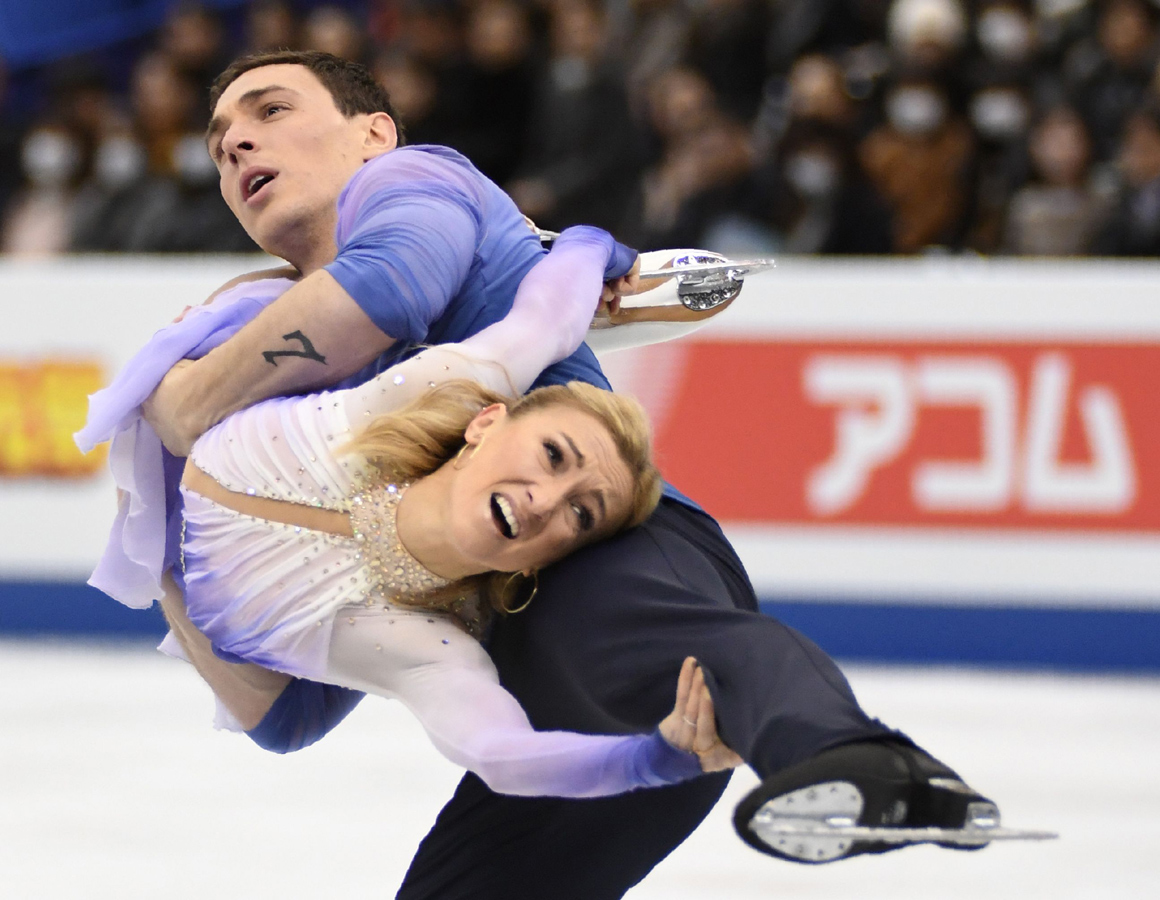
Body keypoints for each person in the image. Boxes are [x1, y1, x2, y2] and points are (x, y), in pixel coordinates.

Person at [128, 50, 997, 897]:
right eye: (218, 141)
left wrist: (182, 405)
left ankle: (845, 758)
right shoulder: (267, 335)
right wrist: (169, 544)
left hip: (612, 545)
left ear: (373, 135)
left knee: (684, 639)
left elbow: (398, 289)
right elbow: (287, 716)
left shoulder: (413, 185)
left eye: (271, 110)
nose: (237, 141)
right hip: (559, 716)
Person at [89, 225, 741, 797]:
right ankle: (492, 285)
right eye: (551, 458)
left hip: (236, 580)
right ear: (485, 425)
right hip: (219, 447)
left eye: (583, 513)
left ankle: (504, 317)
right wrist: (587, 245)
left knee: (283, 729)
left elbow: (499, 752)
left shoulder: (428, 651)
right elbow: (544, 325)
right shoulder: (393, 402)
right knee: (407, 338)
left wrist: (652, 759)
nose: (547, 501)